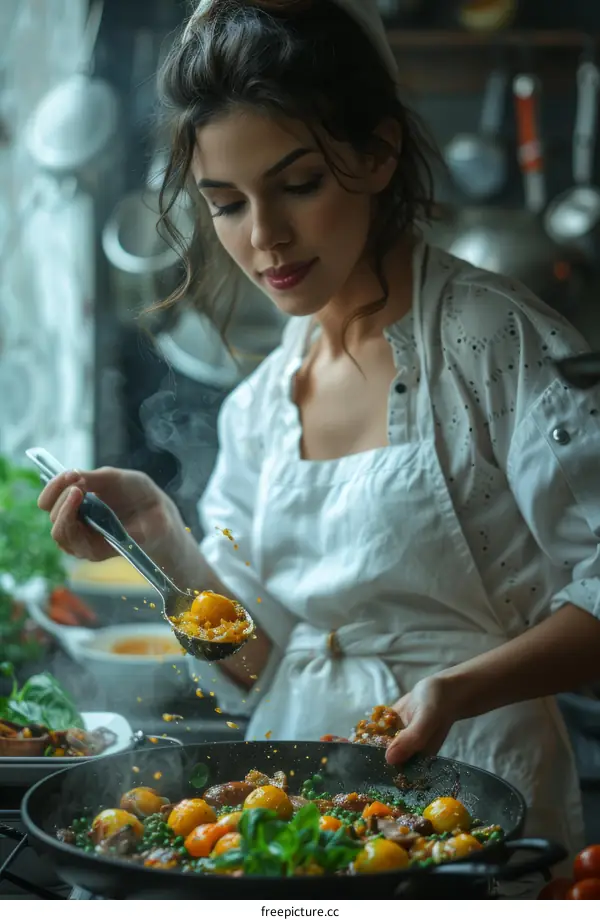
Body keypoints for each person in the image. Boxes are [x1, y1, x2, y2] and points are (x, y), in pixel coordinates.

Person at [38, 0, 600, 864]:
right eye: (225, 204)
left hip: (479, 807)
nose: (264, 238)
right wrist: (160, 535)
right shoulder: (261, 405)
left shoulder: (493, 344)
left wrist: (455, 688)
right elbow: (256, 664)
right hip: (300, 822)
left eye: (297, 185)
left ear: (377, 153)